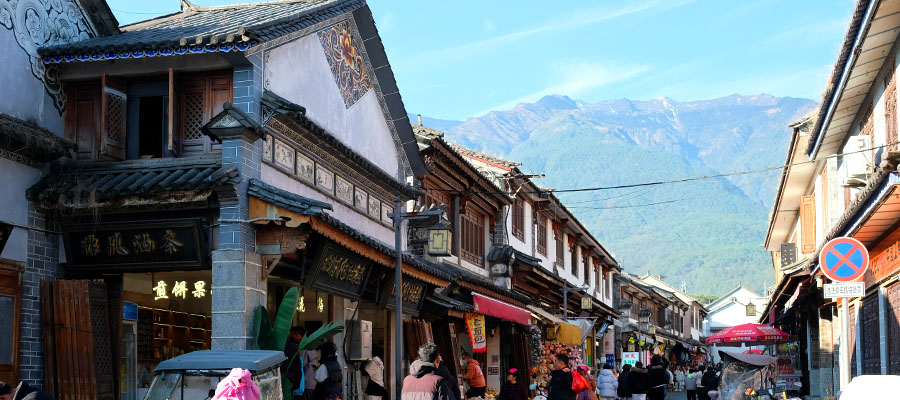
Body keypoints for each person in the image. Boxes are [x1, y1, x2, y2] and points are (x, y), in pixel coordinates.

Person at [284, 326, 306, 399]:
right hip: (294, 385)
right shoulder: (294, 348)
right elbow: (298, 368)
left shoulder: (299, 348)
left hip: (290, 384)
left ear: (297, 334)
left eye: (293, 334)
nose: (292, 336)